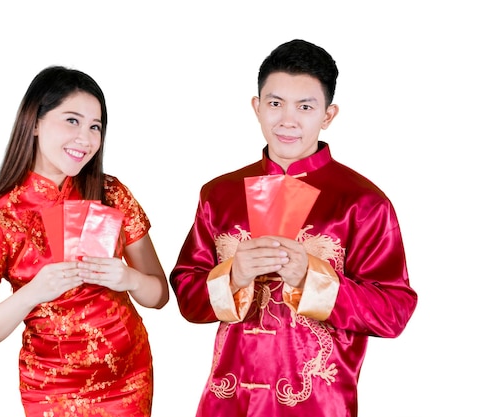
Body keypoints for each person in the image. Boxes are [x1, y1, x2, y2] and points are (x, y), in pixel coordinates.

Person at [169, 39, 418, 416]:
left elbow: (394, 311)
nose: (287, 120)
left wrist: (313, 278)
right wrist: (233, 275)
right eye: (275, 103)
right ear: (256, 107)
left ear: (328, 114)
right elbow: (188, 298)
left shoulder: (362, 202)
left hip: (318, 405)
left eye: (305, 106)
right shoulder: (219, 194)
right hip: (228, 400)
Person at [0, 66, 169, 417]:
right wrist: (33, 292)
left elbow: (159, 295)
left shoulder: (111, 193)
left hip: (128, 376)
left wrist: (128, 279)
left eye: (95, 126)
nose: (85, 138)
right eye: (72, 121)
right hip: (52, 388)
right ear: (35, 122)